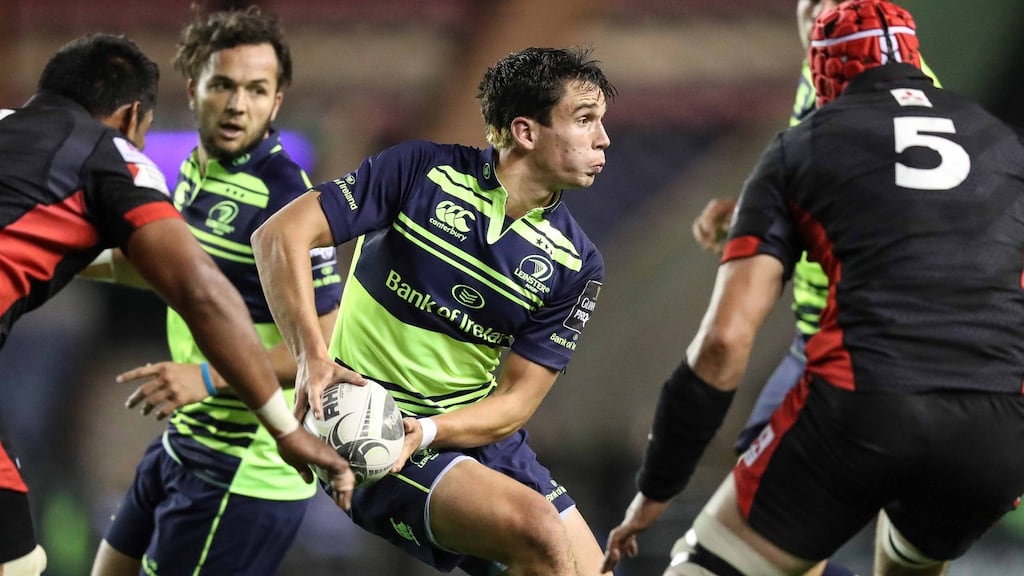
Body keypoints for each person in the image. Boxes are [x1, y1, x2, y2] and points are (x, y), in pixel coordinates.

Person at [604, 1, 1024, 575]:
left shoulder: (819, 123)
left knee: (746, 551)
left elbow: (724, 341)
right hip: (994, 422)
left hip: (856, 377)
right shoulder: (995, 137)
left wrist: (656, 486)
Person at [252, 46, 615, 575]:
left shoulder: (578, 262)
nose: (603, 139)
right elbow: (279, 237)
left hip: (454, 431)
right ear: (526, 132)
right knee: (537, 533)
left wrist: (429, 430)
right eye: (584, 121)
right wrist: (311, 358)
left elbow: (516, 402)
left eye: (601, 122)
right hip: (373, 432)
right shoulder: (420, 171)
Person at [0, 33, 353, 576]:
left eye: (256, 89)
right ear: (143, 113)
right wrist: (284, 427)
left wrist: (208, 378)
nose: (237, 104)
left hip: (240, 463)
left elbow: (320, 346)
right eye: (224, 86)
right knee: (22, 564)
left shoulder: (289, 200)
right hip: (189, 444)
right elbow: (198, 289)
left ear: (277, 99)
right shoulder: (155, 166)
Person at [693, 0, 941, 459]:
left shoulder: (890, 83)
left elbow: (904, 212)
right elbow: (824, 183)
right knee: (768, 472)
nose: (823, 9)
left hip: (872, 339)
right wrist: (751, 211)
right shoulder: (825, 66)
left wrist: (768, 221)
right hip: (821, 329)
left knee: (773, 482)